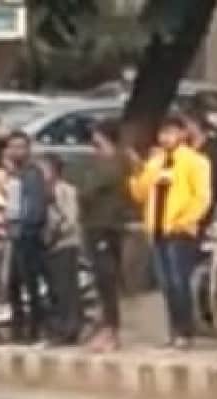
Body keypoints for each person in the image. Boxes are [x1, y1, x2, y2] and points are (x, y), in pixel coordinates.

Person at [128, 116, 212, 350]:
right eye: (163, 133)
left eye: (171, 132)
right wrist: (140, 173)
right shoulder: (156, 162)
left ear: (182, 133)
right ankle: (174, 331)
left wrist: (184, 221)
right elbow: (141, 194)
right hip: (157, 229)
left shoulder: (195, 161)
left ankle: (185, 331)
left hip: (180, 230)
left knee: (179, 281)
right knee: (165, 283)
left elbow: (202, 197)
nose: (166, 138)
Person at [80, 119, 131, 352]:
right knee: (101, 281)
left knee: (107, 279)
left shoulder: (113, 163)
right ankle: (106, 328)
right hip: (95, 224)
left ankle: (112, 330)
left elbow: (88, 190)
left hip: (105, 225)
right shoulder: (102, 161)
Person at [1, 130, 49, 344]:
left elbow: (35, 207)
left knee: (30, 283)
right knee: (12, 284)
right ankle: (17, 325)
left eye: (21, 147)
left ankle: (35, 328)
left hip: (28, 234)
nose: (16, 151)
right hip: (13, 232)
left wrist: (25, 227)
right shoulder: (11, 174)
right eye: (12, 147)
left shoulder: (32, 174)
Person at [38, 155, 83, 346]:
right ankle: (56, 328)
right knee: (53, 290)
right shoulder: (40, 192)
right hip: (47, 245)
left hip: (65, 243)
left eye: (44, 169)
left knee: (66, 289)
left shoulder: (67, 191)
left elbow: (71, 219)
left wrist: (56, 233)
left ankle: (70, 329)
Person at [185, 113, 217, 232]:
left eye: (186, 124)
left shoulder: (214, 148)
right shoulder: (184, 149)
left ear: (195, 125)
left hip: (210, 203)